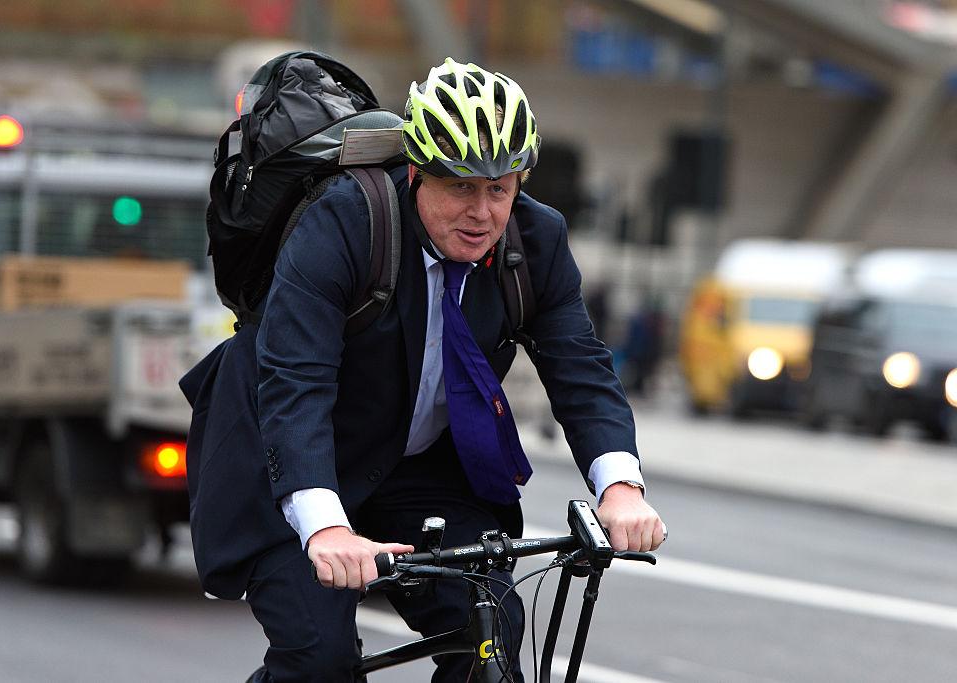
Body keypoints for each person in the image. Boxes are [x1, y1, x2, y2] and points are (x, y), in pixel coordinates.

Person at [229, 57, 665, 682]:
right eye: (461, 185)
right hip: (297, 466)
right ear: (416, 174)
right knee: (319, 661)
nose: (483, 212)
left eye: (499, 188)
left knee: (489, 631)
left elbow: (582, 369)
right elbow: (296, 384)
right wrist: (325, 526)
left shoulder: (535, 242)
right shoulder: (346, 224)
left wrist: (620, 486)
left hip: (417, 473)